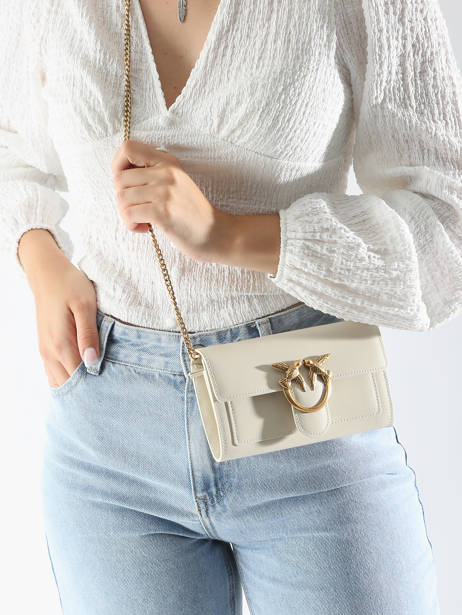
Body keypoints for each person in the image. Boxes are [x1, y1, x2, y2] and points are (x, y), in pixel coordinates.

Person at [1, 0, 460, 613]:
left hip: (304, 404)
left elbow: (446, 221)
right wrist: (40, 258)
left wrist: (231, 234)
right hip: (110, 436)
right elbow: (12, 145)